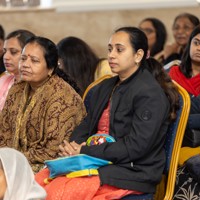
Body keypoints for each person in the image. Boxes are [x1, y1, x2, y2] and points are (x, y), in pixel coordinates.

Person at [35, 26, 179, 200]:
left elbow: (136, 147)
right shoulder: (104, 87)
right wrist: (73, 146)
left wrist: (85, 150)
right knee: (39, 180)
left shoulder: (150, 94)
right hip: (96, 160)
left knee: (58, 192)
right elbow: (87, 125)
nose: (111, 55)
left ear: (138, 55)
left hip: (130, 171)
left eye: (119, 50)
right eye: (110, 49)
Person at [0, 36, 86, 173]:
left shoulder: (62, 97)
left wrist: (13, 160)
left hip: (48, 166)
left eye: (34, 61)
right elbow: (3, 132)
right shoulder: (17, 89)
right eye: (23, 58)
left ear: (50, 68)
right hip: (12, 161)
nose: (25, 64)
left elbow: (53, 150)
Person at [168, 24, 200, 199]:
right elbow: (165, 110)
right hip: (176, 143)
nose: (199, 48)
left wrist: (182, 119)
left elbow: (175, 114)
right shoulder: (171, 74)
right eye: (196, 42)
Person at [0, 29, 35, 111]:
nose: (5, 57)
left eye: (13, 52)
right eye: (5, 51)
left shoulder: (36, 86)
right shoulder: (4, 79)